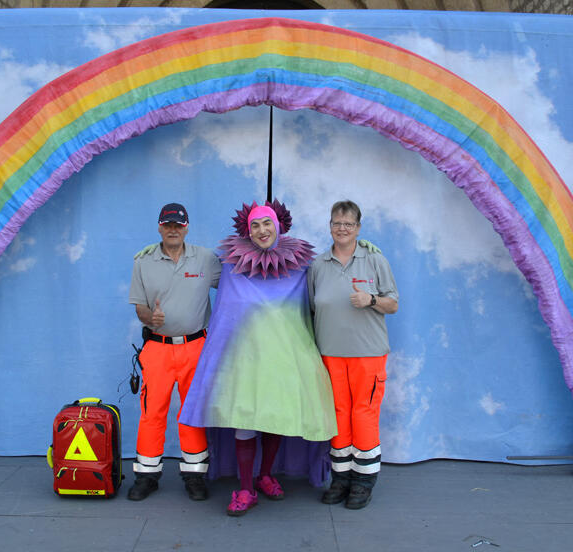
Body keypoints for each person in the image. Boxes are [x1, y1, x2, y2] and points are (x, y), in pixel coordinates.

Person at [179, 200, 337, 517]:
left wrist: (364, 248)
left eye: (266, 223)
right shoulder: (229, 264)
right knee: (245, 422)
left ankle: (266, 475)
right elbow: (191, 266)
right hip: (244, 359)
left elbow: (335, 270)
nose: (261, 230)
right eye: (255, 225)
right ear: (247, 230)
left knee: (274, 416)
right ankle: (246, 487)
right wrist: (153, 254)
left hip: (284, 357)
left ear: (278, 225)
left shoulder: (302, 264)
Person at [307, 200, 399, 510]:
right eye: (337, 223)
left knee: (364, 415)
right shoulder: (318, 265)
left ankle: (363, 482)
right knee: (338, 416)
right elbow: (310, 307)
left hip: (367, 353)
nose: (342, 229)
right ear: (330, 226)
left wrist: (371, 299)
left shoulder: (374, 260)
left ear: (358, 228)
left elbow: (393, 303)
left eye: (348, 224)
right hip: (330, 354)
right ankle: (341, 478)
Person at [127, 203, 221, 501]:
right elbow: (140, 306)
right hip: (158, 348)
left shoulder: (205, 259)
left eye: (177, 225)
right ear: (159, 227)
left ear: (187, 227)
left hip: (196, 347)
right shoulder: (143, 262)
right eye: (167, 224)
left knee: (192, 412)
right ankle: (147, 475)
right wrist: (148, 318)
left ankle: (194, 476)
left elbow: (239, 279)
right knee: (151, 411)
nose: (172, 229)